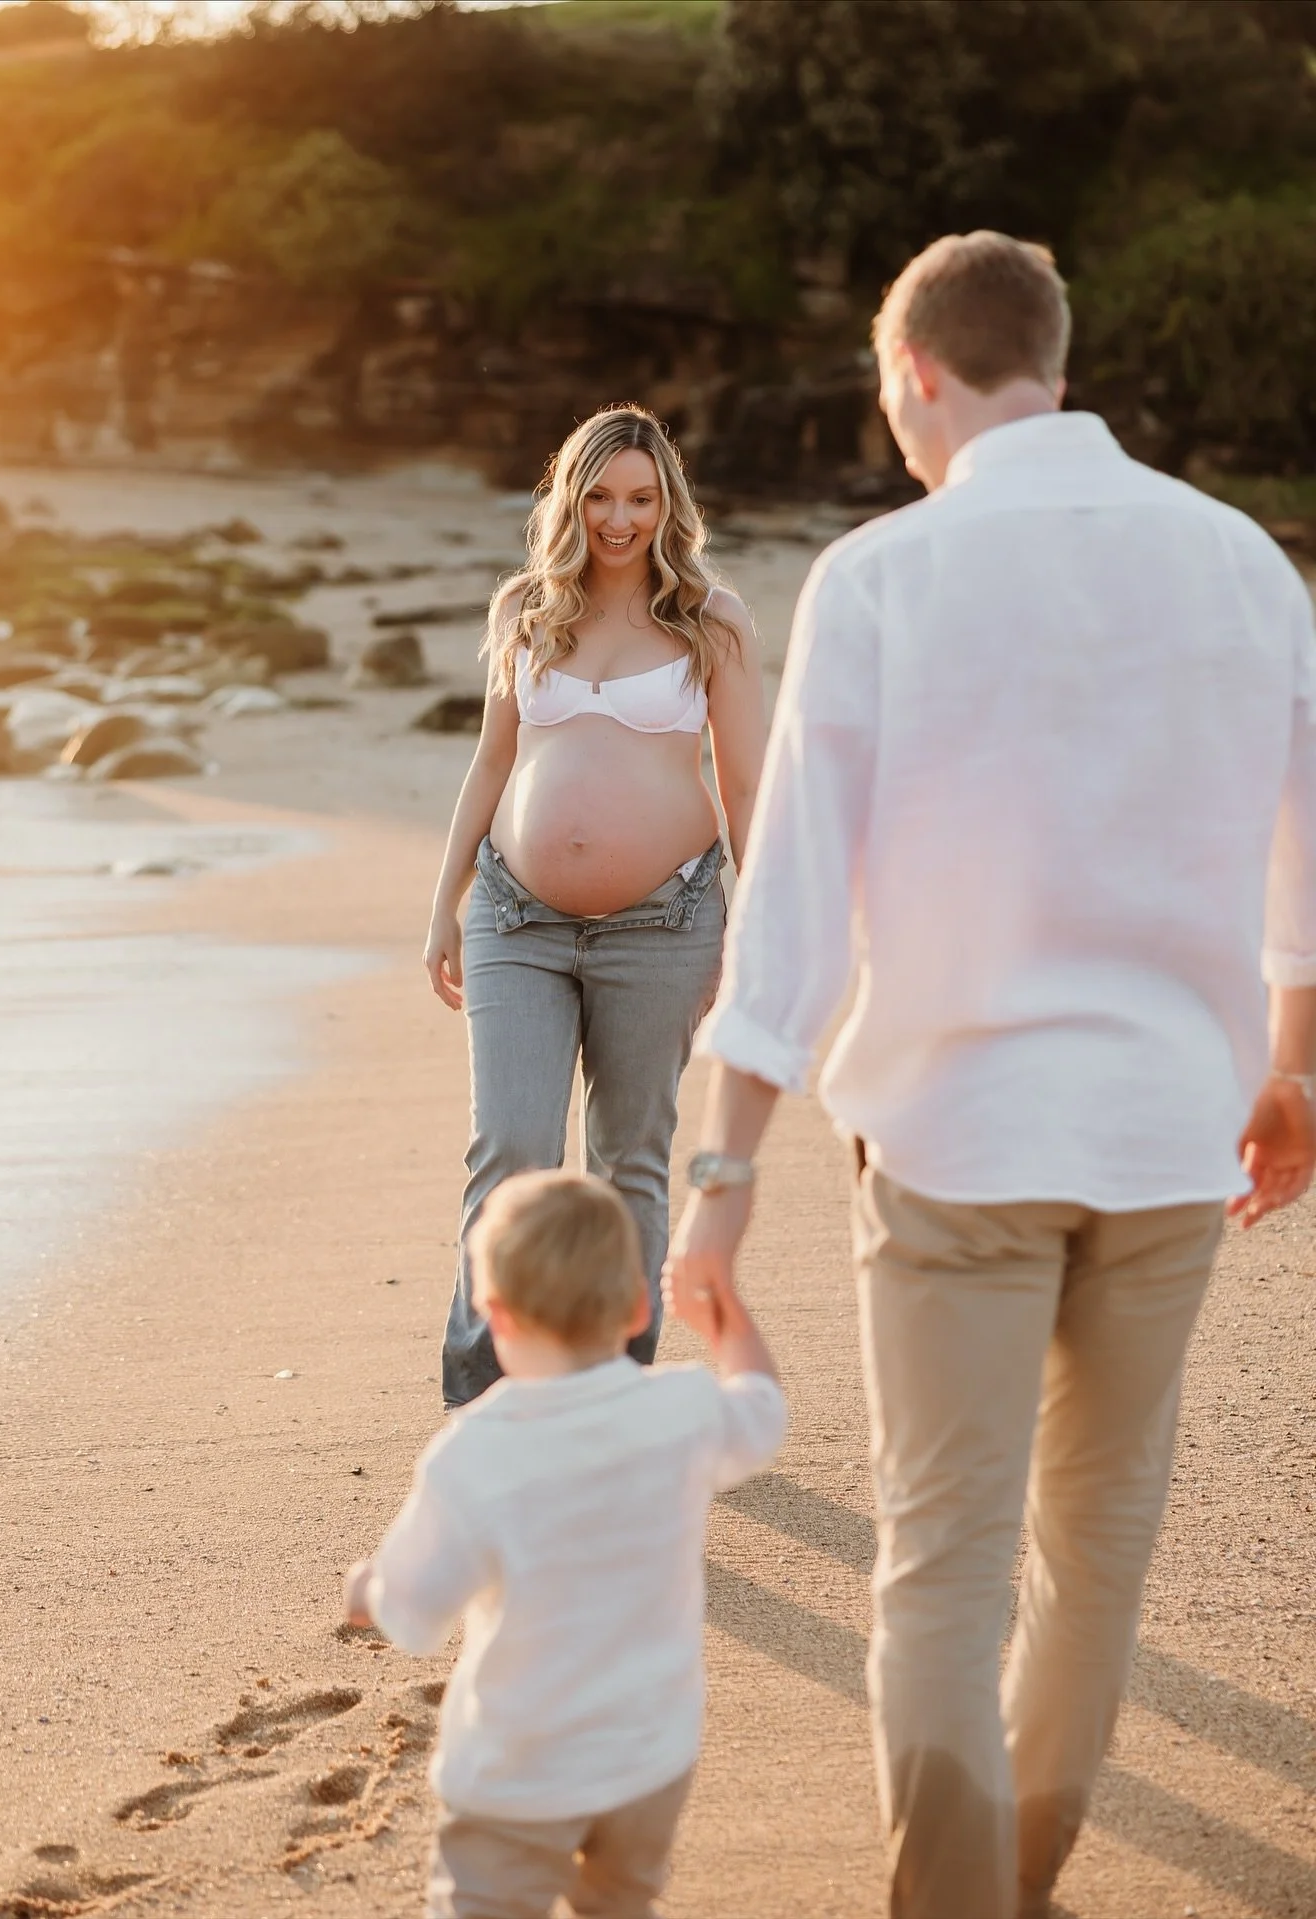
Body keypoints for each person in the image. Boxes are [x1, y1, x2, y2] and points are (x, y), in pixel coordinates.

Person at [664, 230, 1316, 1919]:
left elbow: (794, 916)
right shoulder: (1246, 561)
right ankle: (1020, 1879)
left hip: (953, 1136)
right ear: (1057, 359)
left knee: (940, 1557)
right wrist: (1294, 1067)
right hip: (1179, 1131)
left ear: (915, 378)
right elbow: (1303, 857)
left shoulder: (881, 578)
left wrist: (718, 1182)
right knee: (1096, 1551)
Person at [425, 404, 766, 1409]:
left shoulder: (712, 619)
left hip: (664, 923)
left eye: (641, 498)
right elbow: (493, 759)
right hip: (514, 918)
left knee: (630, 1160)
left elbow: (747, 786)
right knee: (513, 1151)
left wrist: (757, 925)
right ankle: (484, 1399)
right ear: (570, 499)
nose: (619, 519)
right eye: (600, 496)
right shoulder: (527, 608)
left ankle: (611, 1400)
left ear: (670, 504)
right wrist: (444, 898)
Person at [343, 1169, 786, 1919]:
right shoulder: (683, 1409)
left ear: (495, 1315)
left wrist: (365, 1589)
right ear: (639, 1305)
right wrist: (726, 1317)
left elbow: (412, 1611)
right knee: (619, 1902)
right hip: (650, 1757)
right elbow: (763, 1407)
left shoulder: (473, 1454)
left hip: (520, 1772)